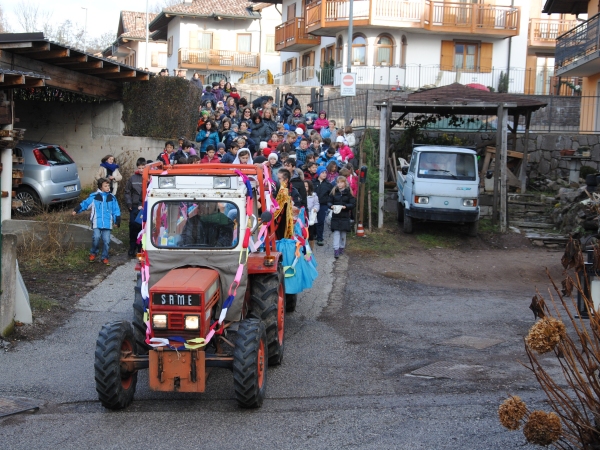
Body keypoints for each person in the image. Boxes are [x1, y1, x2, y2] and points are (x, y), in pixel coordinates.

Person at [72, 178, 121, 265]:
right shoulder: (94, 197)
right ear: (100, 187)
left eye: (108, 185)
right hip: (96, 222)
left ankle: (105, 257)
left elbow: (116, 210)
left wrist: (117, 221)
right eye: (105, 186)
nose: (107, 187)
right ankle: (93, 253)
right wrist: (76, 210)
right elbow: (85, 204)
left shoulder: (112, 198)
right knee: (96, 237)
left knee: (106, 241)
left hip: (107, 222)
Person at [328, 176, 355, 258]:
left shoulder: (348, 192)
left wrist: (345, 206)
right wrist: (331, 206)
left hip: (344, 216)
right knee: (336, 233)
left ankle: (341, 247)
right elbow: (329, 201)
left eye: (341, 182)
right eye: (338, 182)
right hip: (336, 216)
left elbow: (353, 204)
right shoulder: (333, 192)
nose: (339, 184)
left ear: (344, 183)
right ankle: (336, 249)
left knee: (343, 234)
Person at [124, 158, 146, 257]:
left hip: (145, 206)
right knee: (133, 225)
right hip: (134, 206)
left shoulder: (150, 177)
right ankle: (132, 247)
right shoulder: (133, 178)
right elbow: (127, 191)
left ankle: (141, 247)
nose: (141, 170)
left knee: (143, 227)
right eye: (139, 168)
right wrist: (129, 203)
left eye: (143, 167)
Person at [313, 166, 333, 246]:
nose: (324, 174)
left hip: (323, 204)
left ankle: (320, 238)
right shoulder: (313, 182)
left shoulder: (328, 184)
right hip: (313, 205)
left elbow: (331, 195)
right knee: (313, 220)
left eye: (325, 173)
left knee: (320, 221)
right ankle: (313, 234)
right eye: (322, 172)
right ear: (318, 173)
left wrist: (328, 203)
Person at [305, 179, 319, 249]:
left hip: (311, 217)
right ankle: (305, 250)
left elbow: (317, 204)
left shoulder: (314, 196)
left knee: (311, 234)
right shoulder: (300, 195)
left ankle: (310, 251)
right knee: (305, 234)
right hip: (304, 217)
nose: (305, 188)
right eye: (304, 186)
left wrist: (315, 209)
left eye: (306, 186)